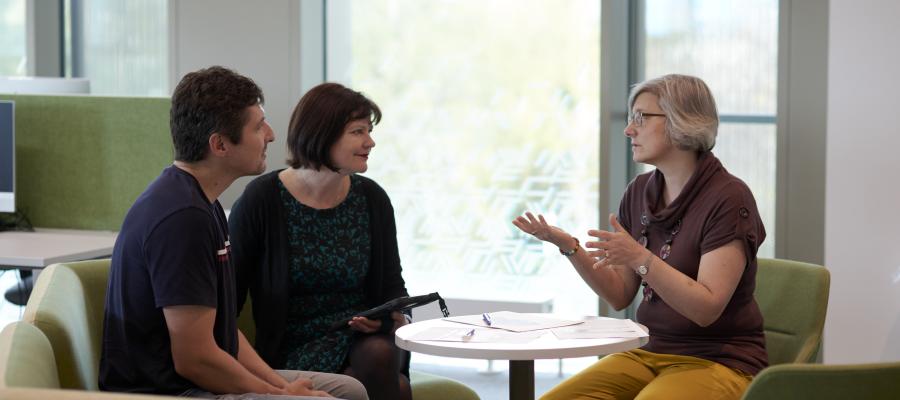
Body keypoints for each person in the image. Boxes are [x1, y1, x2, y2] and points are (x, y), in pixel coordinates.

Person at [100, 66, 367, 400]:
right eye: (258, 126)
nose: (270, 134)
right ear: (220, 145)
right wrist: (283, 396)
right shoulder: (183, 219)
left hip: (198, 379)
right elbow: (195, 361)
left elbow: (224, 334)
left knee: (349, 390)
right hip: (170, 392)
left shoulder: (204, 202)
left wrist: (281, 387)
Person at [514, 74, 767, 400]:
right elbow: (620, 295)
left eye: (641, 118)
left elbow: (706, 310)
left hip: (719, 361)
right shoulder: (640, 192)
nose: (628, 129)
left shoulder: (729, 198)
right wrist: (570, 247)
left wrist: (640, 257)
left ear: (682, 122)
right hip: (648, 350)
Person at [229, 82, 411, 400]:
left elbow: (394, 290)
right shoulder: (262, 200)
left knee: (378, 354)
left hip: (365, 342)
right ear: (323, 133)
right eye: (358, 132)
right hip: (295, 347)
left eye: (369, 131)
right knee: (392, 385)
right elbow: (228, 298)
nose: (370, 142)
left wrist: (383, 319)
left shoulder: (371, 198)